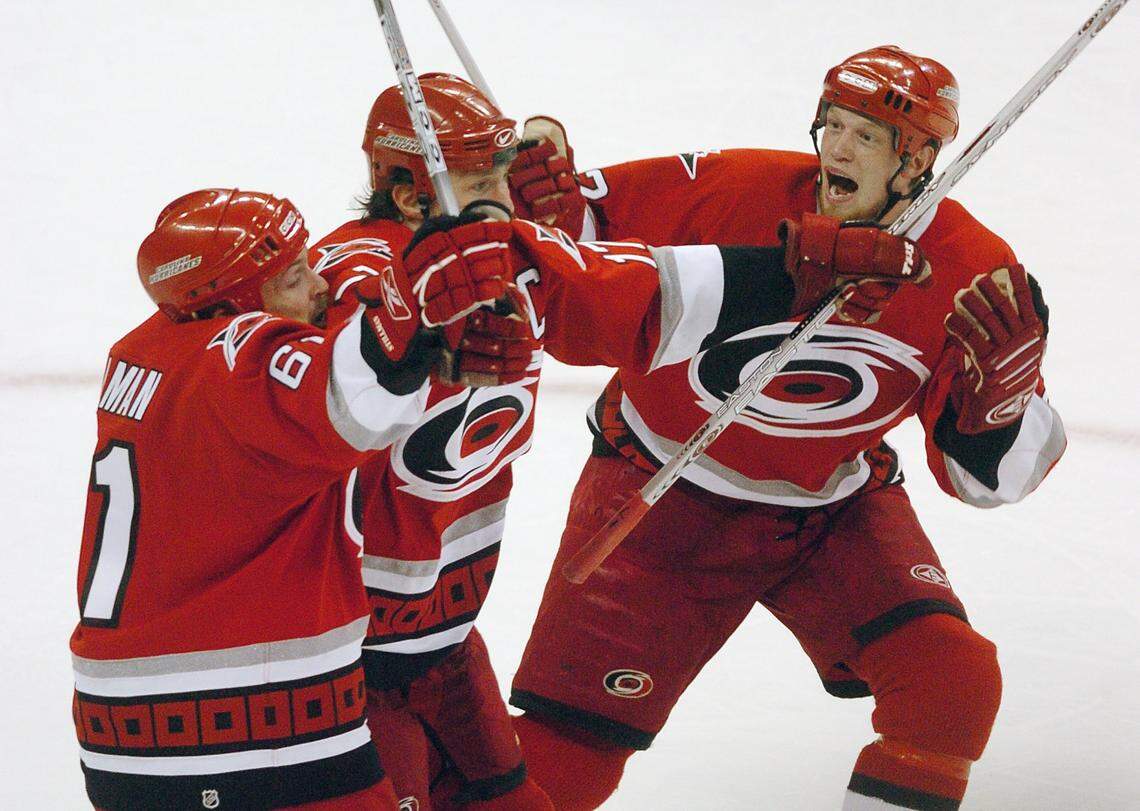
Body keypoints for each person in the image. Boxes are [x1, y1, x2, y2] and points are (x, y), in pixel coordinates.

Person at [311, 73, 932, 810]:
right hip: (345, 663)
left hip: (441, 645)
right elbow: (334, 378)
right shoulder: (355, 278)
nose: (508, 204)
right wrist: (402, 333)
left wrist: (796, 273)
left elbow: (639, 290)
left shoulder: (504, 255)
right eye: (485, 183)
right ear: (415, 199)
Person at [507, 46, 1066, 810]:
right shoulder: (737, 187)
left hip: (829, 510)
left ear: (920, 161)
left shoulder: (975, 267)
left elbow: (986, 479)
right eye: (832, 124)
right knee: (564, 759)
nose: (836, 147)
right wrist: (540, 194)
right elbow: (575, 238)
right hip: (656, 492)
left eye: (866, 136)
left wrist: (995, 414)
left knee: (950, 683)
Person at [69, 187, 520, 810]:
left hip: (125, 726)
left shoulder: (145, 350)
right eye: (290, 279)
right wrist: (409, 314)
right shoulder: (239, 361)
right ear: (230, 304)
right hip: (246, 722)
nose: (319, 288)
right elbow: (347, 396)